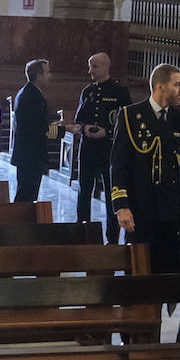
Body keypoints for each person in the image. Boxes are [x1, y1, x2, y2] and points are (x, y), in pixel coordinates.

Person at [110, 64, 180, 338]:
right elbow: (118, 165)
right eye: (177, 84)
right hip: (140, 212)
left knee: (162, 279)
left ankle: (152, 336)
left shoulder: (179, 120)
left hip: (169, 215)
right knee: (137, 277)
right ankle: (130, 334)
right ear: (160, 86)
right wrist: (121, 205)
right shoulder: (131, 115)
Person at [71, 53, 131, 240]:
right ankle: (83, 232)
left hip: (108, 149)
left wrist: (108, 132)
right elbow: (79, 119)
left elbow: (125, 120)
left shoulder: (119, 91)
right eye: (90, 66)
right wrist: (84, 128)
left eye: (94, 66)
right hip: (88, 147)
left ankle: (112, 236)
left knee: (111, 193)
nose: (90, 71)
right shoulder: (87, 91)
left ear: (106, 67)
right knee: (84, 190)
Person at [9, 58, 57, 204]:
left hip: (28, 155)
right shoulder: (31, 96)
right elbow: (36, 128)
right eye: (47, 72)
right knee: (25, 197)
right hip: (30, 155)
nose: (50, 76)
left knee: (28, 194)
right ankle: (17, 224)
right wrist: (62, 129)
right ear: (39, 75)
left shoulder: (31, 92)